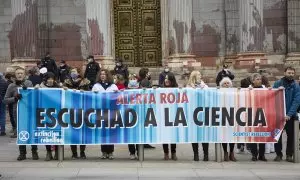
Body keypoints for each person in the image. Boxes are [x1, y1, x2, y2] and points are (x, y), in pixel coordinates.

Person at [4, 67, 39, 161]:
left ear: (24, 75)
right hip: (18, 112)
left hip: (29, 111)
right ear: (15, 75)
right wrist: (14, 98)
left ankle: (34, 151)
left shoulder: (29, 83)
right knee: (21, 132)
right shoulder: (11, 86)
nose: (19, 75)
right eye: (18, 73)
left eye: (21, 73)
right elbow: (5, 100)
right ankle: (22, 153)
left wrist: (31, 89)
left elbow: (33, 95)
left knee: (32, 130)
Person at [273, 67, 300, 162]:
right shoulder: (277, 83)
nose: (291, 74)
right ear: (284, 73)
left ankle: (289, 155)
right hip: (278, 115)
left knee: (291, 136)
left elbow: (296, 101)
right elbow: (271, 96)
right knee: (277, 136)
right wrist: (277, 90)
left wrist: (289, 114)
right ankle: (278, 154)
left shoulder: (296, 86)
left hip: (291, 116)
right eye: (289, 72)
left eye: (292, 73)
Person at [64, 68, 90, 159]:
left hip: (82, 108)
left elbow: (89, 94)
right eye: (71, 72)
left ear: (78, 73)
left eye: (74, 71)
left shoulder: (85, 82)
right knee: (72, 132)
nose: (72, 73)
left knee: (82, 132)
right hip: (70, 108)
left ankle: (82, 152)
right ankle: (74, 153)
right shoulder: (67, 82)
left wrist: (85, 92)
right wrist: (65, 89)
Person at [92, 69, 118, 160]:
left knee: (110, 132)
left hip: (111, 112)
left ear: (107, 76)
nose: (103, 75)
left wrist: (116, 94)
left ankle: (110, 152)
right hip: (100, 111)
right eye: (101, 74)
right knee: (102, 132)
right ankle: (103, 152)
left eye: (104, 74)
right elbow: (91, 98)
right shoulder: (96, 86)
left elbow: (117, 99)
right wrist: (94, 94)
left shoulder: (113, 86)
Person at [35, 72, 60, 161]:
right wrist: (36, 88)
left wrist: (65, 88)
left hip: (56, 113)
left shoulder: (58, 87)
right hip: (44, 113)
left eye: (52, 78)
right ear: (45, 79)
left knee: (57, 133)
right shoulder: (40, 87)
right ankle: (48, 152)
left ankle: (57, 151)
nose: (50, 80)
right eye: (48, 78)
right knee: (47, 134)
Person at [186, 70, 209, 161]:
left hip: (203, 113)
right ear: (194, 76)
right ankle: (196, 154)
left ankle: (206, 154)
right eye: (199, 74)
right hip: (193, 113)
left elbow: (208, 95)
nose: (200, 76)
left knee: (204, 135)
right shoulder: (188, 87)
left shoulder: (204, 86)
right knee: (194, 135)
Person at [249, 73, 267, 161]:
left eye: (260, 79)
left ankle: (262, 154)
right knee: (253, 136)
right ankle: (254, 154)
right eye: (257, 79)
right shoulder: (249, 89)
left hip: (262, 113)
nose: (259, 81)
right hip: (252, 114)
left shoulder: (264, 89)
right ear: (253, 81)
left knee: (262, 135)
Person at [219, 77, 236, 161]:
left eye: (227, 83)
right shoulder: (219, 92)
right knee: (224, 136)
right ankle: (225, 152)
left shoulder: (234, 92)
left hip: (232, 115)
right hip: (222, 115)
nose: (226, 85)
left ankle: (231, 152)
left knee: (232, 135)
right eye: (224, 83)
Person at [162, 74, 178, 161]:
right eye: (165, 79)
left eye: (167, 79)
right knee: (164, 135)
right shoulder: (161, 89)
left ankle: (173, 153)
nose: (166, 80)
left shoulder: (176, 89)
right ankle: (166, 153)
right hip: (164, 115)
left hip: (173, 115)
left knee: (173, 135)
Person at [127, 73, 140, 159]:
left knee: (139, 135)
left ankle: (139, 152)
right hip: (129, 115)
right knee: (130, 136)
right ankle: (132, 152)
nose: (132, 80)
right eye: (131, 78)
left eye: (134, 78)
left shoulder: (141, 89)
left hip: (139, 115)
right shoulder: (126, 90)